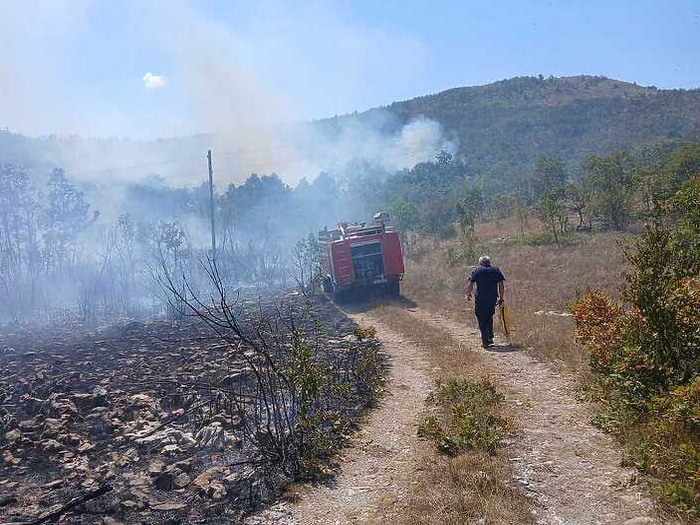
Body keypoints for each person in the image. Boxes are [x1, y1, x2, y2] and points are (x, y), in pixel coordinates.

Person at [466, 255, 505, 348]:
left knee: (481, 317)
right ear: (489, 262)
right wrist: (501, 297)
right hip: (492, 298)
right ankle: (490, 337)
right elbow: (501, 285)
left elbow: (471, 283)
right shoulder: (496, 270)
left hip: (480, 299)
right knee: (489, 316)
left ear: (480, 263)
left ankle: (485, 340)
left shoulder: (477, 270)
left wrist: (468, 294)